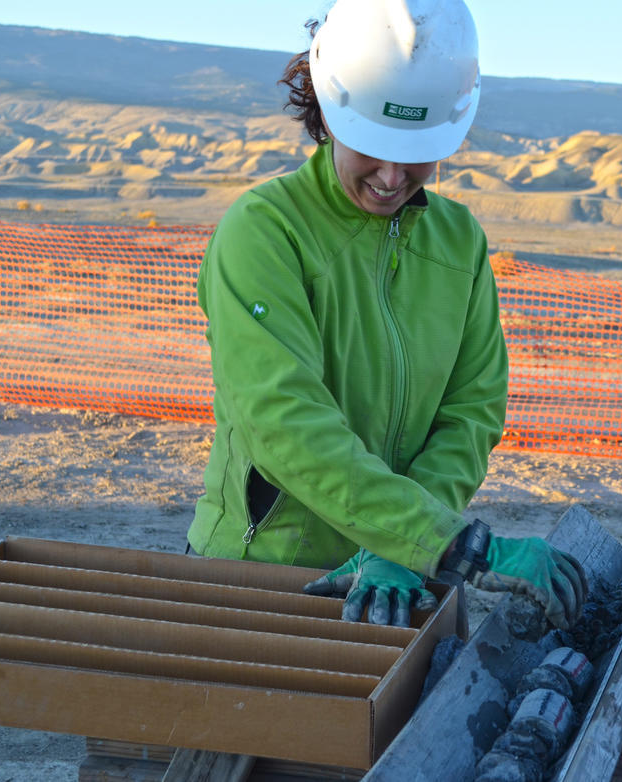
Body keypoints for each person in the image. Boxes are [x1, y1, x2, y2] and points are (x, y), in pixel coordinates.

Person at [186, 0, 586, 631]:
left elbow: (471, 411)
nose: (392, 175)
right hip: (270, 574)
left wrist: (404, 546)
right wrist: (447, 544)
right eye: (372, 145)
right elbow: (284, 423)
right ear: (326, 111)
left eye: (418, 151)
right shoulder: (265, 232)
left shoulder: (459, 242)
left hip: (403, 586)